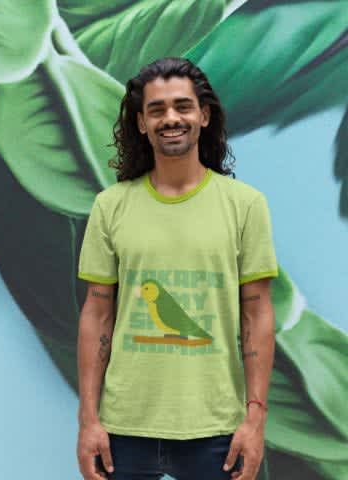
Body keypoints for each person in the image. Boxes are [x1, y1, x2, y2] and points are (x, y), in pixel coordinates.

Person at [76, 57, 278, 480]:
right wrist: (88, 420)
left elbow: (257, 313)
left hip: (217, 431)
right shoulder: (110, 206)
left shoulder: (245, 205)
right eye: (157, 109)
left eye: (183, 106)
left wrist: (255, 420)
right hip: (122, 431)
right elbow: (97, 313)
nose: (171, 118)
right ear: (141, 123)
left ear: (203, 116)